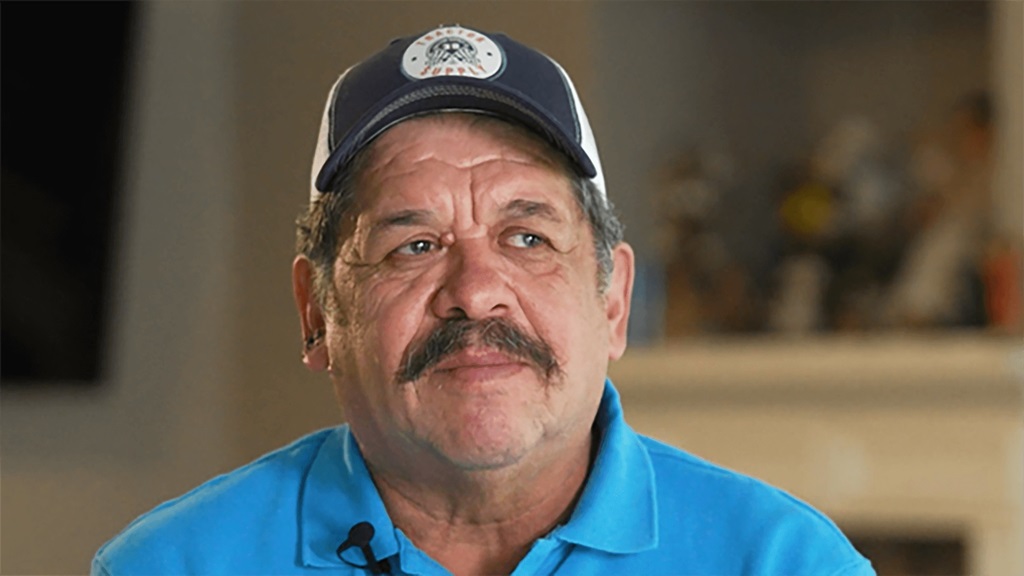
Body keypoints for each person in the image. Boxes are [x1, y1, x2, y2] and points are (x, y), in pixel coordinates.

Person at [93, 25, 874, 576]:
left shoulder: (783, 563)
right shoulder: (171, 566)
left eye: (528, 238)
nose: (475, 293)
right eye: (414, 245)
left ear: (614, 300)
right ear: (316, 311)